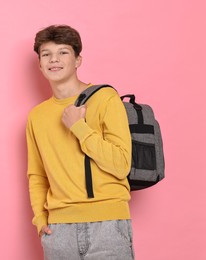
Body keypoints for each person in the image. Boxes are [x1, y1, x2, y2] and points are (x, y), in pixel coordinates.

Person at [26, 25, 135, 259]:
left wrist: (79, 127)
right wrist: (40, 219)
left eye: (63, 52)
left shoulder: (105, 98)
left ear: (78, 60)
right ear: (40, 64)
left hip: (108, 226)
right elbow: (37, 174)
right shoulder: (37, 116)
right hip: (58, 231)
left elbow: (121, 164)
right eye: (46, 54)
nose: (54, 60)